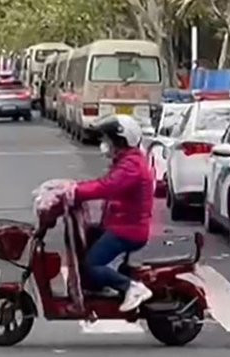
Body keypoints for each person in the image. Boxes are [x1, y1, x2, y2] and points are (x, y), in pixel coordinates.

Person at [74, 115, 155, 312]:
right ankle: (98, 289)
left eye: (107, 140)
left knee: (92, 266)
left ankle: (132, 288)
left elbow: (106, 187)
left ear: (121, 141)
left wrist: (73, 191)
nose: (104, 144)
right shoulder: (126, 161)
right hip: (120, 226)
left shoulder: (131, 166)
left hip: (128, 231)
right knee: (89, 242)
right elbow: (103, 184)